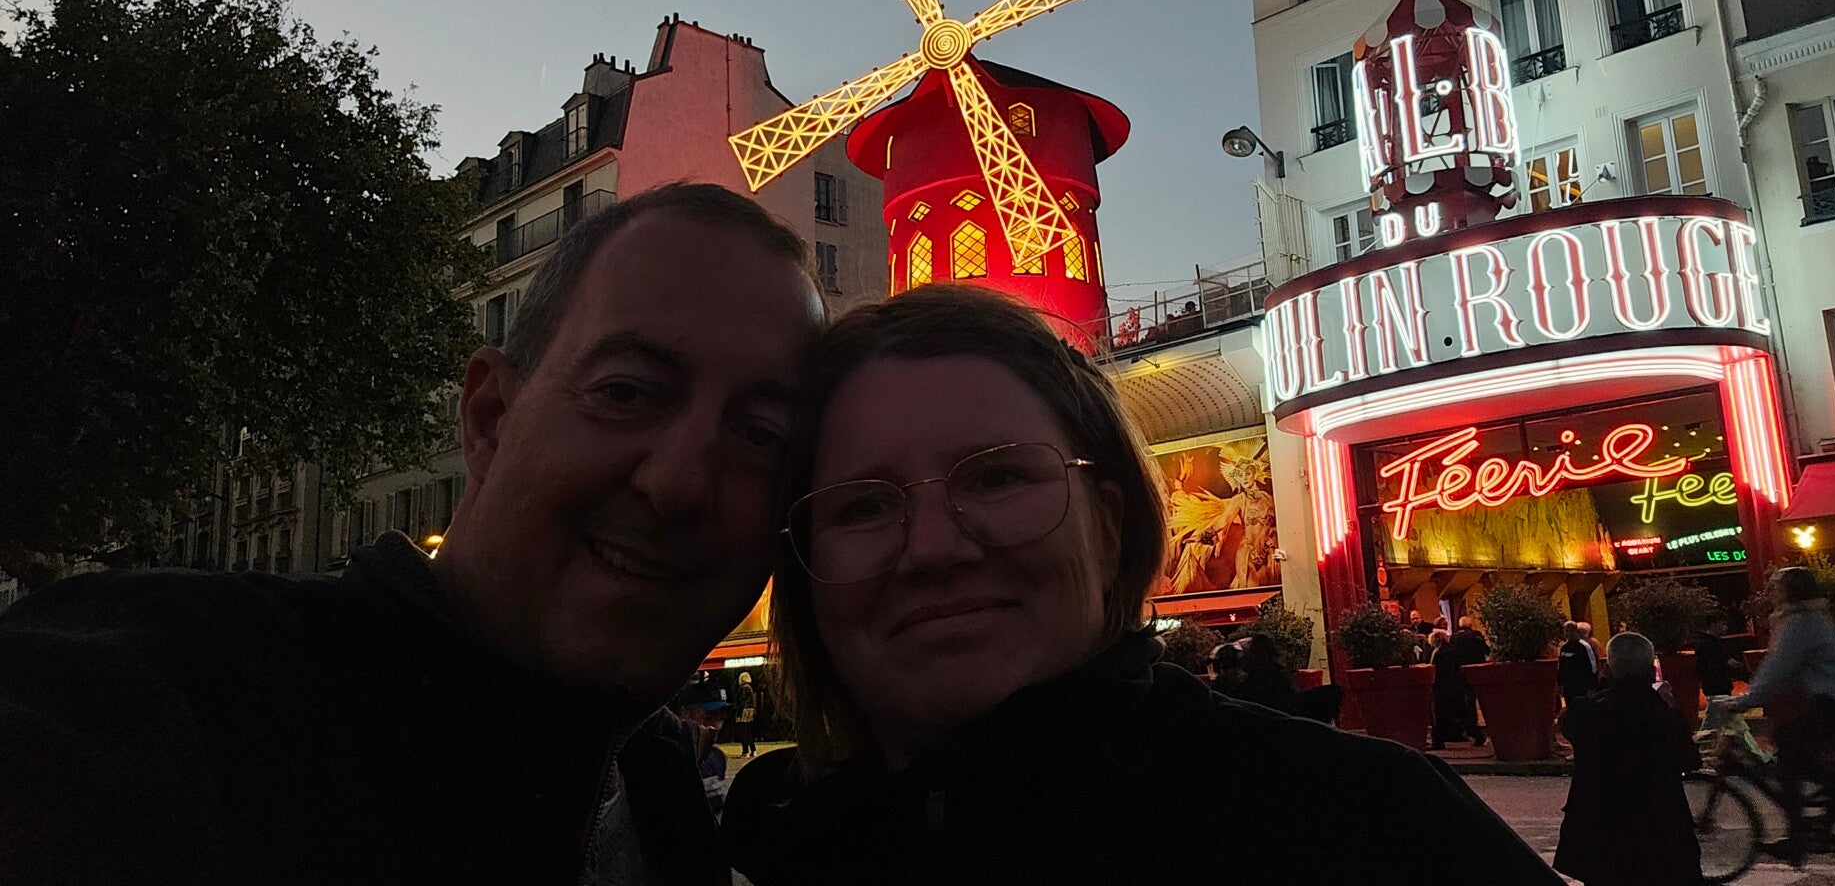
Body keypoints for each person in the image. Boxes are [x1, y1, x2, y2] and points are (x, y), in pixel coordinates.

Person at [0, 183, 825, 886]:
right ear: (490, 418)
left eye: (762, 436)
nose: (679, 484)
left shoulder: (662, 792)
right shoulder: (168, 685)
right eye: (626, 393)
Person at [721, 286, 1558, 885]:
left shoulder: (1368, 824)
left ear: (1109, 521)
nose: (933, 549)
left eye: (998, 477)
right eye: (863, 506)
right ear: (800, 561)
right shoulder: (761, 845)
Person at [1724, 565, 1835, 862]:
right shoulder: (1811, 618)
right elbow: (1785, 669)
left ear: (1790, 591)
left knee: (1789, 749)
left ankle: (1799, 835)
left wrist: (1746, 700)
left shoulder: (1801, 624)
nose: (1772, 592)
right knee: (1794, 746)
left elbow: (1778, 667)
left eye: (1777, 586)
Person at [1553, 633, 1702, 886]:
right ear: (1651, 673)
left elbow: (1568, 722)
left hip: (1601, 842)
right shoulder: (1666, 719)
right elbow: (1690, 761)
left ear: (1608, 671)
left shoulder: (1585, 714)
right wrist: (1663, 704)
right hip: (1659, 839)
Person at [1430, 628, 1486, 749]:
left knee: (1440, 716)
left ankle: (1438, 742)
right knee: (1462, 713)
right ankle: (1477, 735)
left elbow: (1438, 671)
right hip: (1455, 687)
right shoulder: (1452, 650)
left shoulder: (1439, 653)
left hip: (1443, 688)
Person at [1693, 611, 1744, 699]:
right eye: (1723, 624)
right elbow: (1709, 665)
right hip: (1715, 686)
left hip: (1721, 685)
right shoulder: (1705, 643)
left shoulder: (1716, 642)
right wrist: (1727, 663)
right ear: (1713, 625)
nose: (1726, 628)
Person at [1558, 619, 1598, 706]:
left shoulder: (1584, 646)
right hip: (1568, 687)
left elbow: (1593, 666)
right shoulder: (1564, 648)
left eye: (1571, 630)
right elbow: (1561, 666)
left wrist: (1591, 685)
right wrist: (1560, 683)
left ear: (1576, 631)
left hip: (1581, 686)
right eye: (1566, 631)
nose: (1569, 633)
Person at [735, 670, 761, 758]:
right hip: (750, 710)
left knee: (744, 732)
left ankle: (745, 751)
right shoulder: (750, 688)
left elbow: (741, 701)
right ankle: (753, 750)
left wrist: (738, 712)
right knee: (748, 731)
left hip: (744, 711)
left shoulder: (743, 688)